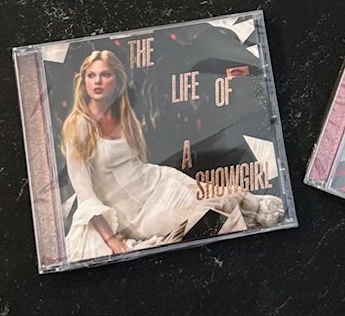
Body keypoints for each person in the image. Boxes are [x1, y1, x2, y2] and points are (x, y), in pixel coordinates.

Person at [61, 50, 283, 262]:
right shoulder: (79, 125)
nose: (97, 82)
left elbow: (137, 164)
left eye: (105, 75)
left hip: (161, 180)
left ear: (117, 81)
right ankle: (252, 253)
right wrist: (111, 240)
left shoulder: (125, 116)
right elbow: (85, 194)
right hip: (137, 214)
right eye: (91, 76)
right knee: (208, 216)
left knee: (226, 198)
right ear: (83, 81)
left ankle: (264, 240)